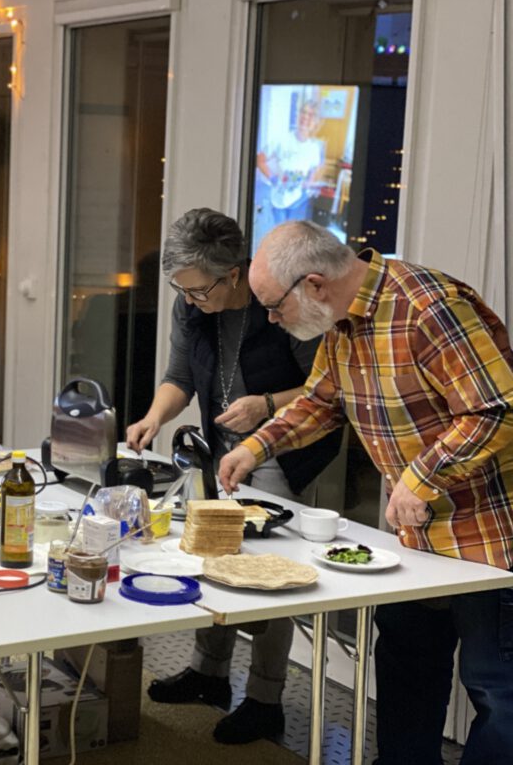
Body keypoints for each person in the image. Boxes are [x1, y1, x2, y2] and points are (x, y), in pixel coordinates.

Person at [219, 220, 513, 764]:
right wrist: (255, 448)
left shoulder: (429, 308)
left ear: (313, 284)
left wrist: (420, 478)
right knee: (406, 664)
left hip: (488, 534)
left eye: (273, 307)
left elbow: (496, 409)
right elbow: (321, 402)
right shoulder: (341, 323)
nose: (271, 319)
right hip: (417, 533)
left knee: (496, 686)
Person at [127, 208, 341, 744]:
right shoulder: (192, 305)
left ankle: (266, 699)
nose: (192, 300)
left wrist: (265, 404)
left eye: (200, 290)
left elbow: (328, 389)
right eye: (184, 290)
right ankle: (209, 673)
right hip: (220, 444)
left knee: (269, 569)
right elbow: (179, 376)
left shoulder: (281, 304)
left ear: (233, 273)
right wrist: (155, 417)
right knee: (211, 550)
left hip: (285, 446)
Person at [256, 92, 325, 225]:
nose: (305, 117)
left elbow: (316, 169)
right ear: (298, 115)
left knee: (296, 237)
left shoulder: (314, 148)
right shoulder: (281, 140)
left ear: (316, 123)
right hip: (278, 200)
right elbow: (260, 160)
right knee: (282, 237)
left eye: (311, 115)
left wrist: (309, 182)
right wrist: (273, 178)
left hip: (299, 200)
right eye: (303, 112)